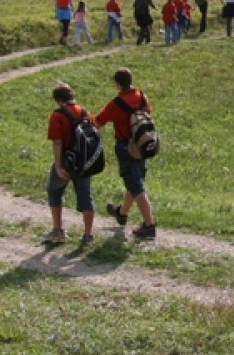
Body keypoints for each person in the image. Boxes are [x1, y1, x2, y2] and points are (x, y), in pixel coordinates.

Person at [95, 67, 157, 239]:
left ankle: (149, 225)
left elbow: (98, 122)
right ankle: (122, 213)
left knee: (136, 186)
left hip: (125, 147)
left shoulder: (116, 103)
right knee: (135, 180)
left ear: (117, 84)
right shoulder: (142, 96)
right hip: (142, 144)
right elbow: (147, 113)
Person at [45, 82, 98, 244]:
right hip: (84, 162)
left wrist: (58, 165)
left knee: (54, 190)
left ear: (58, 100)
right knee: (85, 195)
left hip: (67, 161)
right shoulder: (85, 112)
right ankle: (88, 235)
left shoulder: (57, 115)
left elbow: (57, 142)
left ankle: (58, 230)